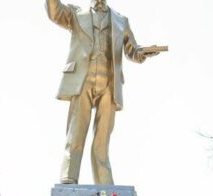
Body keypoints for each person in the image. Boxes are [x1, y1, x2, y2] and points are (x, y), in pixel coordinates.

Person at [44, 0, 162, 185]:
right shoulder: (76, 13)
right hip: (82, 79)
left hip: (110, 83)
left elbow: (132, 50)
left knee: (103, 137)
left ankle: (104, 180)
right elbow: (55, 13)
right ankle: (69, 174)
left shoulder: (121, 20)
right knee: (76, 131)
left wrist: (144, 52)